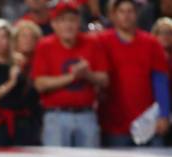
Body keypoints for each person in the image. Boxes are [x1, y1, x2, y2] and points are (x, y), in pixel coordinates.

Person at [32, 0, 109, 147]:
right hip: (56, 116)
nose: (68, 25)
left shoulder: (92, 43)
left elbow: (105, 80)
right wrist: (72, 76)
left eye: (72, 20)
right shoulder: (45, 45)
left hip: (87, 115)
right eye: (62, 20)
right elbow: (40, 84)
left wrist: (87, 74)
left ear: (79, 22)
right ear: (53, 24)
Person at [98, 0, 170, 147]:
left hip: (148, 122)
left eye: (130, 11)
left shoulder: (151, 43)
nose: (126, 16)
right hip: (114, 123)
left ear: (136, 14)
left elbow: (160, 81)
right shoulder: (102, 41)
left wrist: (164, 115)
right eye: (121, 11)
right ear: (113, 15)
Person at [0, 19, 40, 146]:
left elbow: (26, 93)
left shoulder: (18, 60)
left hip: (19, 121)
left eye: (4, 37)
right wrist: (10, 83)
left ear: (10, 39)